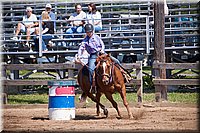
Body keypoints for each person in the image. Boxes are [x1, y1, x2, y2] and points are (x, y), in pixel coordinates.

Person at [77, 24, 132, 90]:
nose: (89, 33)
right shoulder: (85, 41)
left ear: (92, 31)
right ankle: (93, 84)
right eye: (88, 32)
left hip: (102, 53)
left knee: (116, 61)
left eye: (90, 32)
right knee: (91, 69)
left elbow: (102, 44)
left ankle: (124, 73)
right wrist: (79, 56)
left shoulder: (96, 37)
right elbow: (81, 48)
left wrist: (102, 50)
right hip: (93, 55)